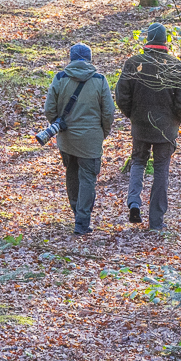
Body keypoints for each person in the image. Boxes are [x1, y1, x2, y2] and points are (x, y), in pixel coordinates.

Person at [115, 23, 181, 230]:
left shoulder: (133, 63)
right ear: (165, 41)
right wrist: (176, 119)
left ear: (148, 39)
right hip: (166, 129)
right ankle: (156, 221)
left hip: (140, 126)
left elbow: (121, 96)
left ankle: (134, 204)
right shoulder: (176, 66)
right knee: (161, 170)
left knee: (138, 163)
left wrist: (132, 115)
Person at [43, 43, 115, 236]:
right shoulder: (100, 80)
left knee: (72, 174)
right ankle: (82, 222)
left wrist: (58, 124)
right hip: (91, 140)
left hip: (67, 139)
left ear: (71, 58)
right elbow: (108, 112)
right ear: (90, 59)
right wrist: (102, 133)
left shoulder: (59, 78)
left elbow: (49, 108)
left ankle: (77, 212)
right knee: (88, 179)